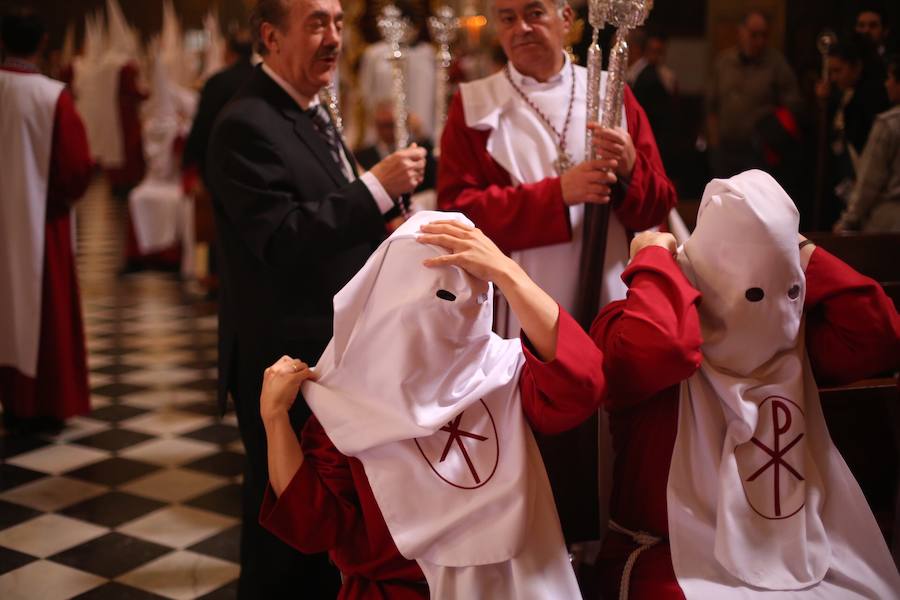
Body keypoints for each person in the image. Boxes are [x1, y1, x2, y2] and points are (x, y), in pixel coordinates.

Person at [258, 211, 607, 598]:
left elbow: (583, 384)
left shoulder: (505, 373)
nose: (455, 312)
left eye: (476, 291)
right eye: (440, 296)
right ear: (390, 297)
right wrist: (275, 420)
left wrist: (511, 275)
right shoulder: (344, 400)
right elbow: (314, 527)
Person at [592, 170, 900, 599]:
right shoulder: (633, 326)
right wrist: (655, 260)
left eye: (788, 287)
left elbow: (879, 334)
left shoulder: (792, 338)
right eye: (753, 289)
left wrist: (788, 245)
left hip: (791, 550)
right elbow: (659, 350)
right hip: (670, 556)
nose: (773, 306)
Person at [205, 0, 427, 595]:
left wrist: (390, 219)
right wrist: (376, 187)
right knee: (285, 524)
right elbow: (281, 238)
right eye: (316, 24)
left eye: (336, 23)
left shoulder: (310, 108)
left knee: (320, 519)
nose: (333, 38)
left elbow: (328, 210)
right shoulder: (245, 123)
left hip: (323, 349)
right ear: (271, 37)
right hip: (282, 354)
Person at [437, 0, 676, 543]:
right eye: (506, 17)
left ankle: (607, 548)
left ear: (567, 19)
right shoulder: (474, 106)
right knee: (537, 433)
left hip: (608, 289)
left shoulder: (613, 93)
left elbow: (659, 203)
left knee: (608, 436)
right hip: (516, 307)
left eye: (534, 13)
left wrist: (634, 169)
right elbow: (456, 214)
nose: (519, 27)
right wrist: (556, 196)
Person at [0, 10, 93, 432]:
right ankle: (41, 403)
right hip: (39, 222)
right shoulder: (50, 95)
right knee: (41, 310)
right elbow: (75, 167)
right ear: (41, 43)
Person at [706, 9, 802, 178]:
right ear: (740, 32)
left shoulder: (776, 64)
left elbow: (793, 104)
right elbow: (711, 106)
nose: (759, 41)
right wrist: (714, 145)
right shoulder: (723, 62)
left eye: (764, 35)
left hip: (758, 152)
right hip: (726, 150)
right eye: (754, 34)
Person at [815, 35, 890, 227]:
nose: (833, 78)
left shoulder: (869, 98)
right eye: (830, 72)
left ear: (856, 67)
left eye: (838, 71)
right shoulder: (843, 94)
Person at [835, 53, 900, 232]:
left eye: (890, 78)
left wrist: (848, 220)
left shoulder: (889, 124)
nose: (887, 84)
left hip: (889, 225)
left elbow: (869, 181)